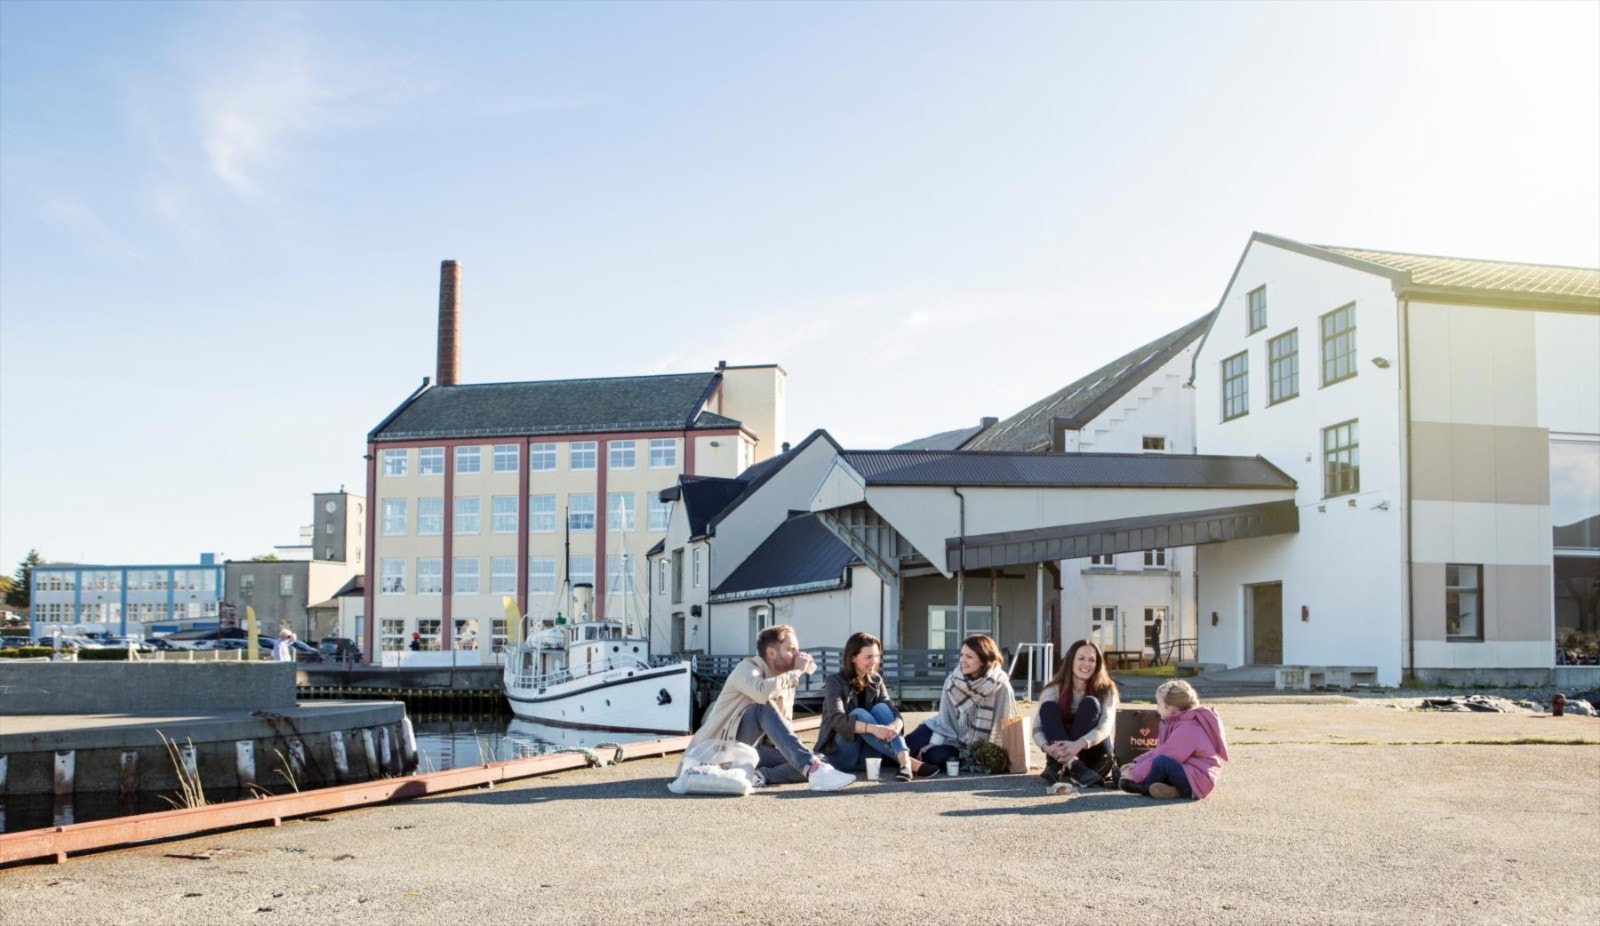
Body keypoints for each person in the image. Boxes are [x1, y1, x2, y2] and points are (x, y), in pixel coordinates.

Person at [678, 624, 854, 791]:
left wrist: (796, 753)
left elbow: (783, 728)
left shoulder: (784, 680)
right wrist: (798, 671)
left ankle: (760, 776)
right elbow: (761, 693)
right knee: (761, 707)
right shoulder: (746, 668)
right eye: (791, 649)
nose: (798, 654)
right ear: (771, 652)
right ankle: (814, 770)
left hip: (754, 752)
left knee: (818, 758)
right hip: (719, 750)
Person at [816, 632, 939, 782]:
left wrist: (895, 725)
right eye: (868, 657)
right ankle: (907, 762)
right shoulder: (835, 681)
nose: (874, 661)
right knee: (859, 713)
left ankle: (904, 760)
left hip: (869, 758)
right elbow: (837, 720)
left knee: (881, 708)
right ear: (853, 657)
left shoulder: (876, 679)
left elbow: (893, 712)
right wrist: (874, 729)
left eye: (877, 656)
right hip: (841, 756)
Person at [905, 634, 1018, 771]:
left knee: (936, 757)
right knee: (907, 746)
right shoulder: (953, 681)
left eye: (969, 657)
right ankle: (902, 760)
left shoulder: (1000, 685)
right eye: (961, 655)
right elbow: (945, 720)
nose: (962, 660)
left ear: (983, 660)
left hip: (964, 744)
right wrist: (934, 742)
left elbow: (1007, 723)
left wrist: (1016, 758)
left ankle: (918, 760)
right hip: (941, 729)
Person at [1120, 679, 1229, 800]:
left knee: (1162, 763)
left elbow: (1168, 756)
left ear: (1170, 708)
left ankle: (1146, 788)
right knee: (1156, 764)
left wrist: (1135, 774)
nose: (1157, 708)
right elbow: (1160, 750)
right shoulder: (1170, 722)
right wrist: (1137, 763)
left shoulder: (1189, 727)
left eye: (1159, 704)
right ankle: (1171, 791)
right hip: (1184, 770)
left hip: (1198, 780)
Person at [1035, 639, 1120, 788]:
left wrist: (1078, 745)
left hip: (1092, 754)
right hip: (1059, 754)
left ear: (1098, 664)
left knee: (1090, 704)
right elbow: (1037, 728)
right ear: (1071, 661)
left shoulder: (1106, 689)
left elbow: (1105, 726)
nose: (1086, 664)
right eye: (1081, 658)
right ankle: (1073, 765)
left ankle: (1063, 765)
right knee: (1048, 708)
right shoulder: (1053, 689)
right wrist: (1046, 748)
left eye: (1091, 660)